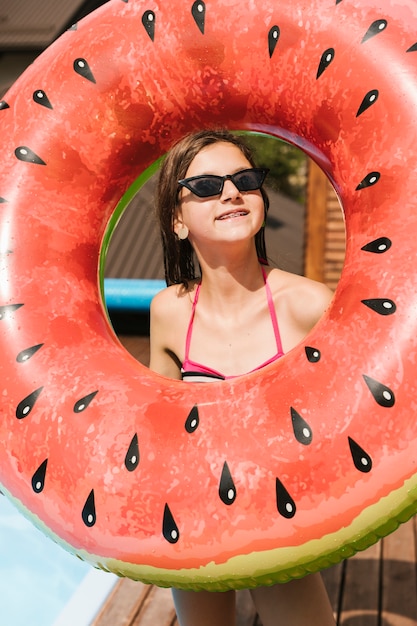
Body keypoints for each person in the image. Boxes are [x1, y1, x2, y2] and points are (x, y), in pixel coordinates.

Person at [149, 129, 336, 626]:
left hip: (284, 523)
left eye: (245, 180)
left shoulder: (309, 306)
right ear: (177, 221)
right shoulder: (168, 312)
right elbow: (154, 427)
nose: (231, 192)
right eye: (207, 186)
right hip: (194, 524)